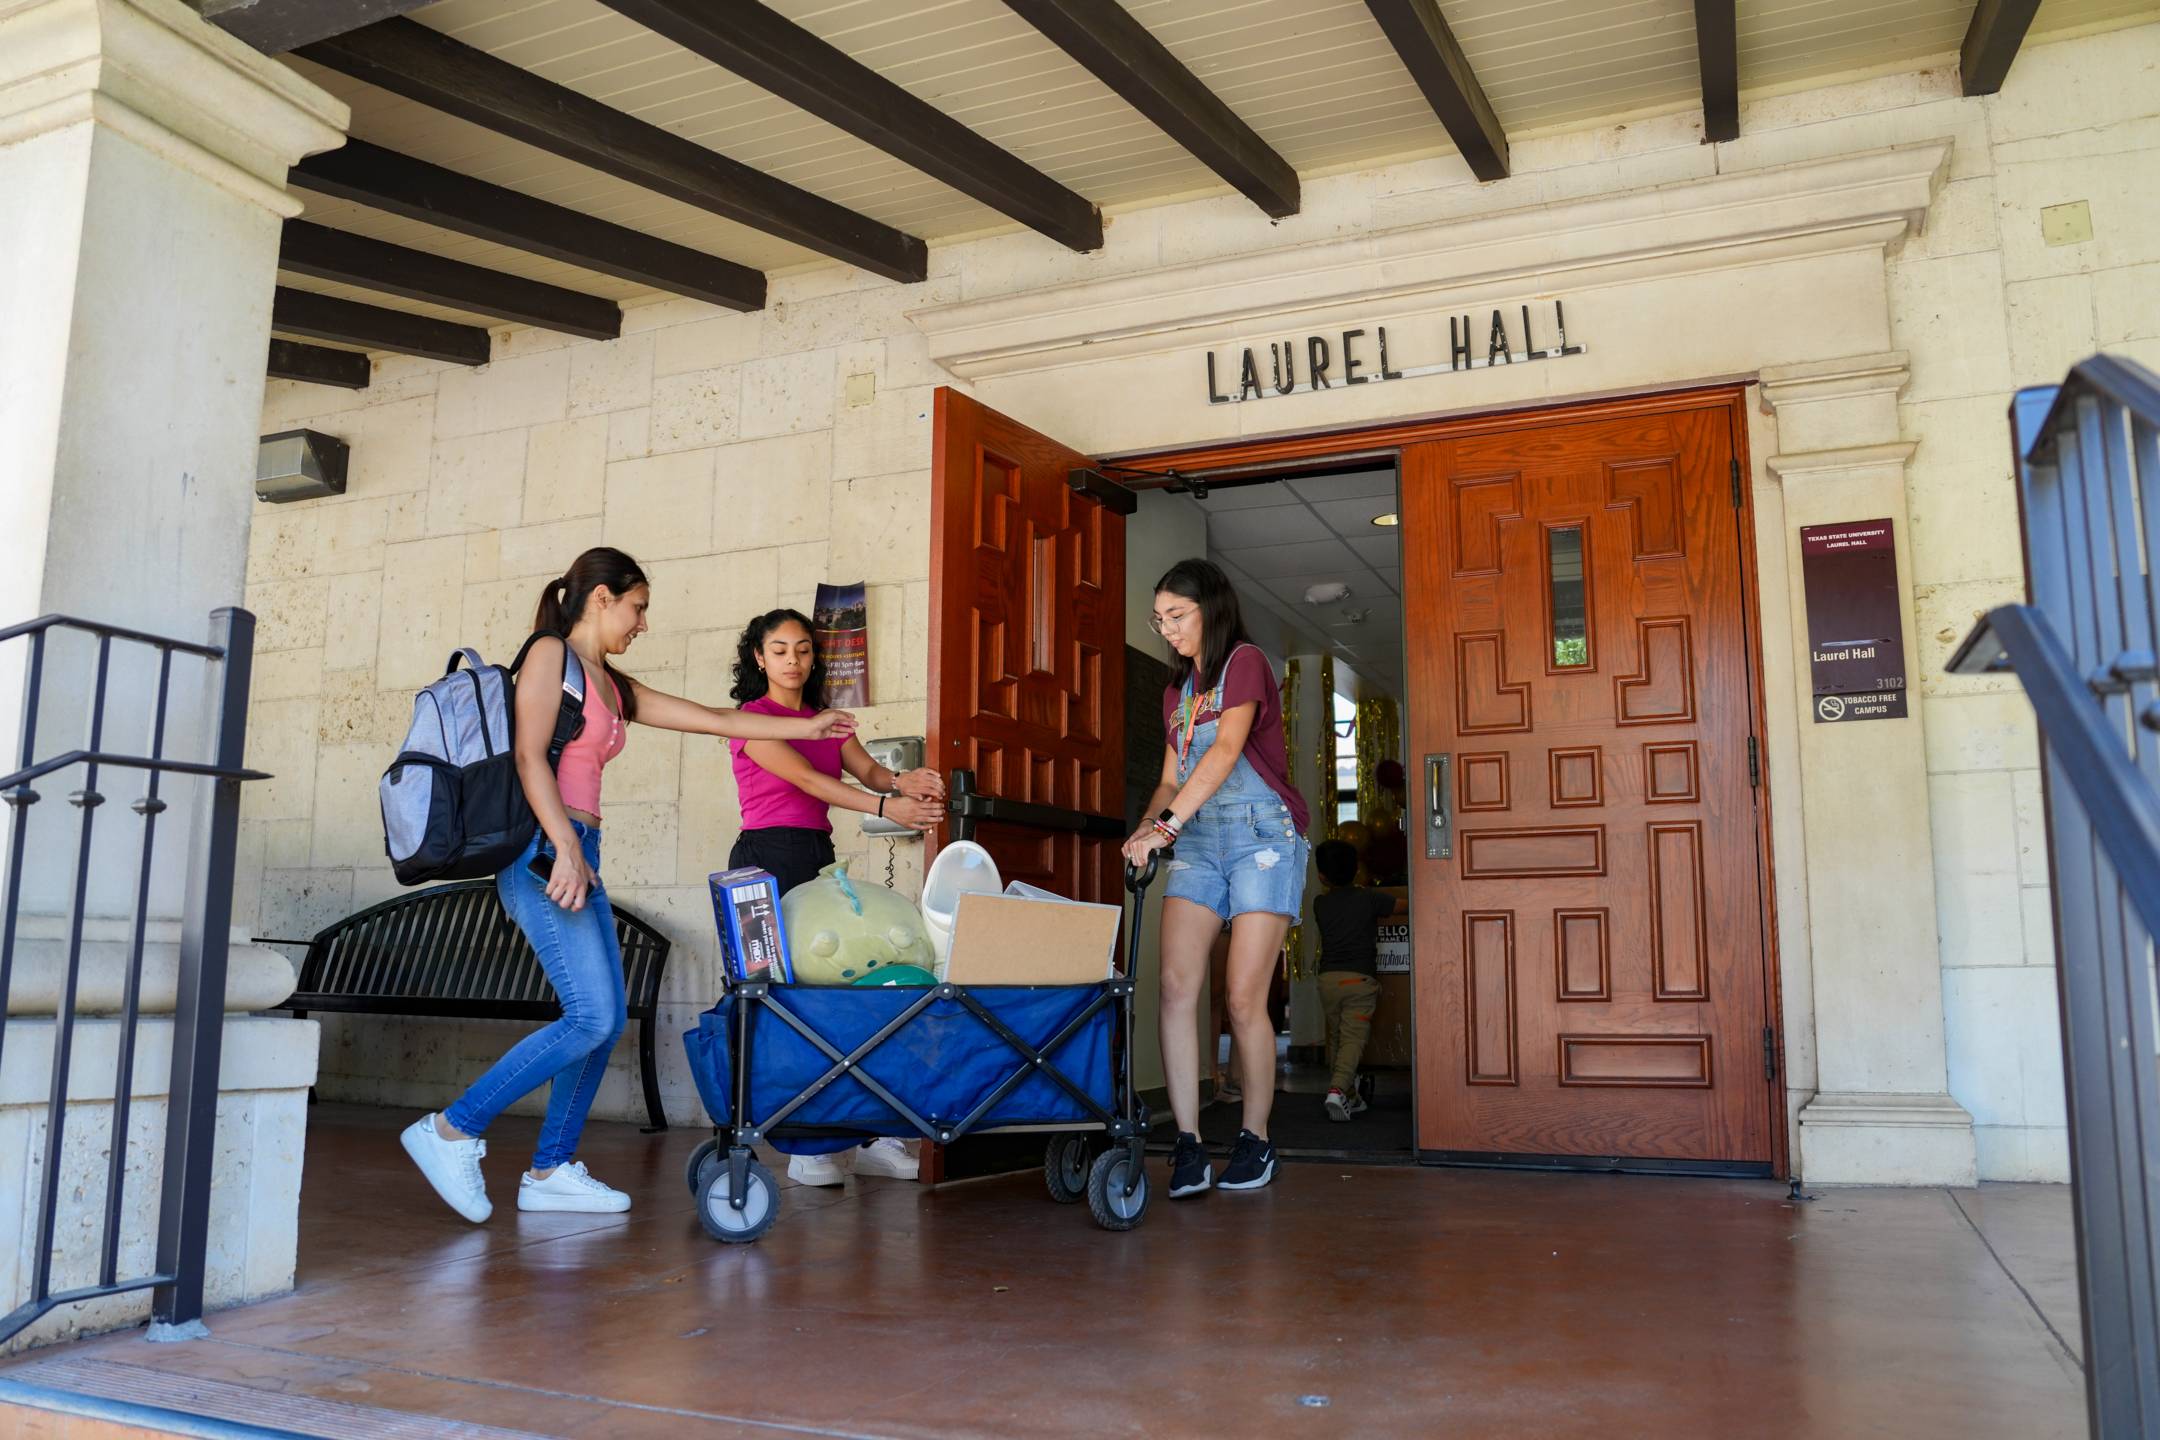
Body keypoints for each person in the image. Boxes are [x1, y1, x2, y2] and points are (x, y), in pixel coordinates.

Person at [400, 549, 855, 1224]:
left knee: (600, 1017)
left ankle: (551, 1167)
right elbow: (529, 755)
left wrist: (808, 724)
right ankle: (451, 1130)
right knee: (594, 1016)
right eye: (637, 607)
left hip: (578, 849)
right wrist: (562, 850)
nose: (642, 622)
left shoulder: (609, 684)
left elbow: (719, 720)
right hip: (542, 851)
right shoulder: (550, 655)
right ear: (602, 598)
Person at [727, 607, 945, 1187]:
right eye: (779, 649)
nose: (793, 660)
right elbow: (806, 779)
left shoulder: (829, 722)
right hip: (759, 868)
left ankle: (864, 1136)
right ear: (759, 657)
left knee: (839, 999)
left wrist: (906, 782)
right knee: (779, 1004)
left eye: (802, 648)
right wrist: (885, 808)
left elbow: (871, 772)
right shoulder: (751, 718)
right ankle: (805, 1148)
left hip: (817, 861)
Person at [1124, 559, 1309, 1196]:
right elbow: (1172, 780)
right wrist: (1146, 828)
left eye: (1177, 616)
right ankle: (1188, 1143)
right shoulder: (1176, 694)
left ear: (1211, 608)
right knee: (1175, 987)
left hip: (1262, 837)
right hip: (1197, 840)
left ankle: (1256, 1141)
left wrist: (1166, 828)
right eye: (1160, 619)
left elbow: (1227, 751)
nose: (1167, 629)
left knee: (1241, 997)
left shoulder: (1245, 663)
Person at [1311, 838, 1397, 1121]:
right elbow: (1404, 905)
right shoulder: (1369, 898)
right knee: (1352, 1040)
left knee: (1337, 1038)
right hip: (1359, 981)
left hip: (1328, 982)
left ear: (1322, 876)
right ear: (1358, 870)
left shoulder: (1320, 904)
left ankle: (1350, 1096)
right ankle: (1336, 1090)